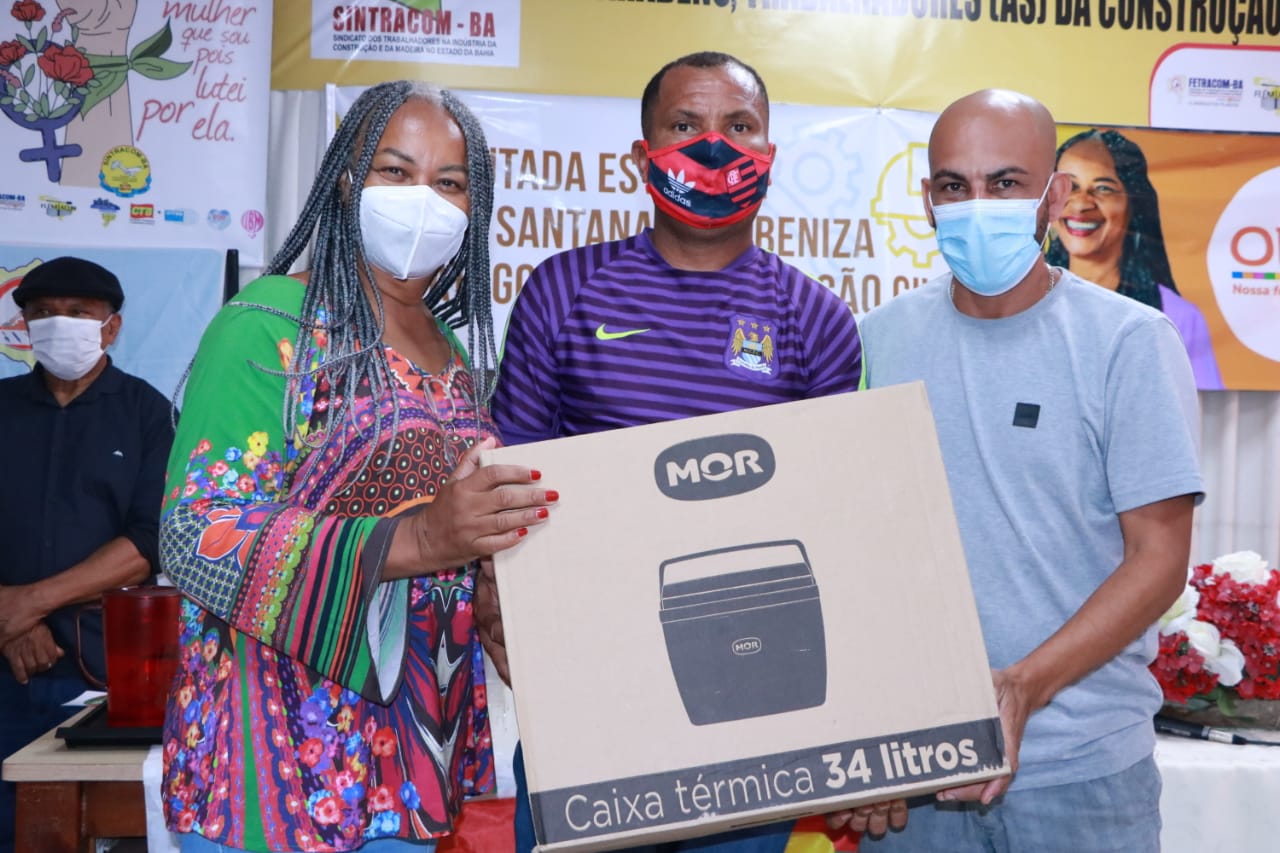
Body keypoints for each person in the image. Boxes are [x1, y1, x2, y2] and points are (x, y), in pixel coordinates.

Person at [478, 51, 864, 853]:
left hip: (755, 700)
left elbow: (832, 523)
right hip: (589, 685)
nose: (714, 146)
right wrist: (496, 600)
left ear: (769, 154)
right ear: (641, 154)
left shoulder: (818, 320)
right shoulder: (562, 290)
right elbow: (507, 480)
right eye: (685, 125)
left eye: (739, 126)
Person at [158, 81, 556, 853]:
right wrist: (422, 538)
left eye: (449, 182)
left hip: (409, 759)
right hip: (272, 762)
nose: (423, 199)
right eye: (395, 171)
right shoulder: (267, 324)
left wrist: (493, 588)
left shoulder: (455, 352)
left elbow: (461, 531)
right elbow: (194, 532)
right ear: (346, 179)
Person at [840, 90, 1203, 852]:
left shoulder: (1129, 343)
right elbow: (853, 548)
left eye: (1005, 183)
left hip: (1084, 776)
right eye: (954, 185)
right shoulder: (876, 341)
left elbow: (1159, 559)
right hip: (919, 775)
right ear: (927, 201)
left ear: (1054, 195)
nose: (978, 206)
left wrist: (1022, 684)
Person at [0, 256, 174, 853]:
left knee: (109, 829)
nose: (59, 323)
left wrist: (27, 604)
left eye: (78, 313)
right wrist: (10, 624)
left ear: (112, 327)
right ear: (23, 325)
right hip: (6, 667)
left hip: (104, 674)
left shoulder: (149, 414)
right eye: (43, 312)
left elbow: (150, 542)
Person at [1046, 128, 1224, 389]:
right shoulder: (1025, 300)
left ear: (1133, 203)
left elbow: (1188, 408)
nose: (1082, 204)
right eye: (1071, 187)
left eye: (1103, 188)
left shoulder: (1178, 316)